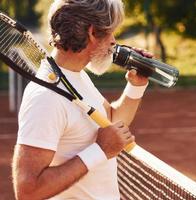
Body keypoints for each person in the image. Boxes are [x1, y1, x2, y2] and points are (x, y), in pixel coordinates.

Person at [12, 0, 152, 199]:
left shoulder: (75, 75)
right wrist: (100, 151)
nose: (114, 41)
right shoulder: (44, 98)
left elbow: (110, 121)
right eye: (110, 32)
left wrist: (136, 85)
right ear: (92, 32)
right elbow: (28, 191)